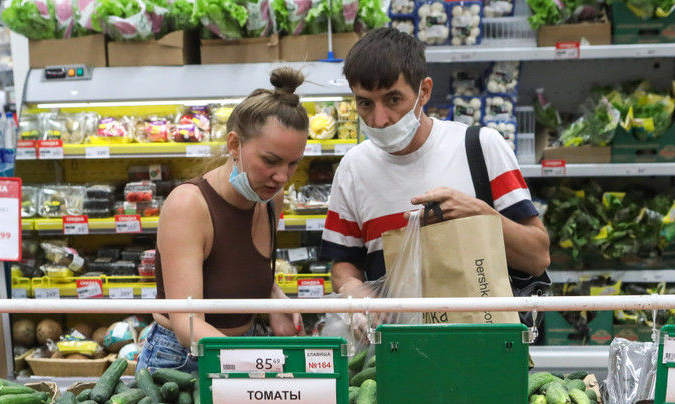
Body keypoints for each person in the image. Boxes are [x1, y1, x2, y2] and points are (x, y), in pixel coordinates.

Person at [322, 28, 549, 302]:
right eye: (365, 103)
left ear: (424, 92)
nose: (379, 119)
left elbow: (538, 257)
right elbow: (344, 264)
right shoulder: (352, 169)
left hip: (483, 337)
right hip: (397, 341)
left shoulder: (480, 147)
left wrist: (479, 215)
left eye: (394, 99)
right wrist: (352, 289)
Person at [139, 67, 308, 373]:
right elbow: (187, 325)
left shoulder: (271, 198)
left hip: (244, 349)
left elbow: (238, 267)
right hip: (181, 362)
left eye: (293, 163)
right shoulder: (189, 206)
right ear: (234, 145)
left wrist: (275, 299)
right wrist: (257, 365)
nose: (282, 177)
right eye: (270, 161)